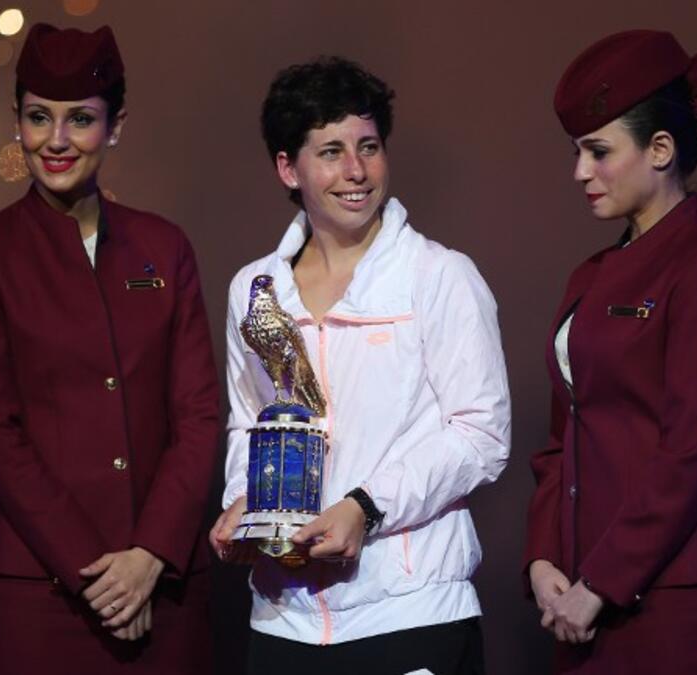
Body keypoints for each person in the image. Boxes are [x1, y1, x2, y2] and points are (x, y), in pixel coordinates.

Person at [208, 57, 510, 675]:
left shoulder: (439, 275)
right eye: (331, 152)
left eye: (368, 147)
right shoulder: (255, 289)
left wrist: (364, 508)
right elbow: (249, 423)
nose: (356, 171)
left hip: (409, 611)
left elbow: (482, 434)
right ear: (288, 168)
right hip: (283, 616)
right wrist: (245, 502)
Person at [0, 23, 219, 674]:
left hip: (164, 590)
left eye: (81, 119)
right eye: (38, 117)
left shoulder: (164, 248)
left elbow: (199, 416)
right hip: (41, 598)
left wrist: (151, 554)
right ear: (16, 122)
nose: (57, 140)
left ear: (115, 126)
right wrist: (100, 574)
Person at [522, 30, 697, 674]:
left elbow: (692, 449)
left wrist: (602, 582)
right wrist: (542, 558)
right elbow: (562, 440)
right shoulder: (590, 276)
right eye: (577, 152)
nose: (580, 172)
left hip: (675, 599)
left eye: (598, 151)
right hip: (578, 598)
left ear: (660, 149)